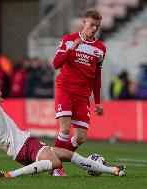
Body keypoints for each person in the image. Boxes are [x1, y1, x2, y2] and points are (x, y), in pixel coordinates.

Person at [0, 43, 126, 178]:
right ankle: (10, 175)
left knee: (68, 154)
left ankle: (113, 170)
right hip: (24, 146)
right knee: (55, 163)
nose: (0, 92)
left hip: (20, 149)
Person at [51, 9, 106, 176]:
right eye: (92, 25)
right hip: (66, 89)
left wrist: (97, 101)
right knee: (65, 129)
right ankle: (56, 167)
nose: (94, 29)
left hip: (83, 95)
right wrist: (71, 49)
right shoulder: (68, 40)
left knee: (81, 136)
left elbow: (97, 77)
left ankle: (55, 157)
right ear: (84, 22)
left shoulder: (100, 49)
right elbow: (56, 64)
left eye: (97, 26)